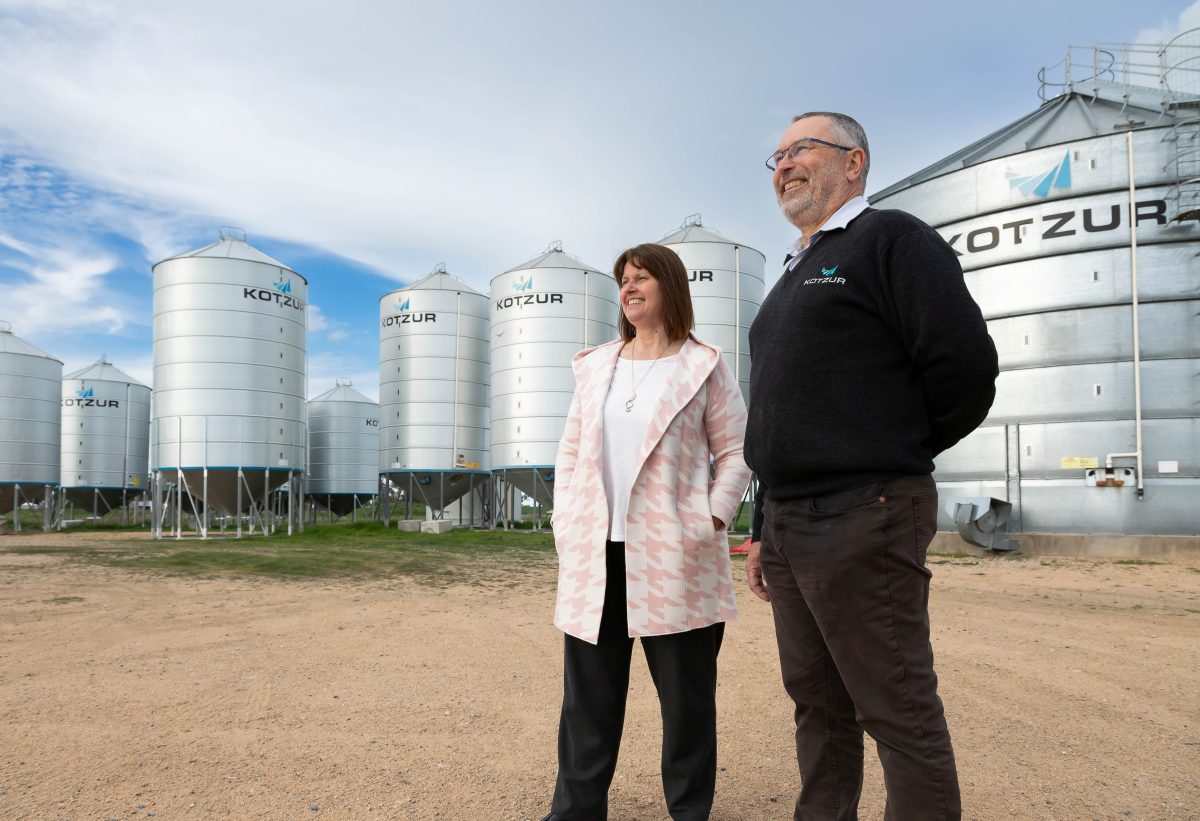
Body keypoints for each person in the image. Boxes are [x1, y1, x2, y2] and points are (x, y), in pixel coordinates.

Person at [744, 112, 999, 820]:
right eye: (778, 154)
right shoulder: (796, 268)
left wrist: (890, 454)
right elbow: (778, 414)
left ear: (853, 163)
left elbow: (966, 367)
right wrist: (764, 523)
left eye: (802, 150)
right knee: (818, 708)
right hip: (791, 522)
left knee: (896, 708)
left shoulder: (891, 240)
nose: (784, 164)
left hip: (865, 511)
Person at [541, 243, 750, 821]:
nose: (629, 289)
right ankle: (575, 812)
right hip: (596, 554)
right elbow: (570, 451)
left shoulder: (703, 364)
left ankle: (689, 813)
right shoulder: (595, 365)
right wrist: (564, 519)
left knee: (687, 706)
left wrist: (711, 517)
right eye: (623, 281)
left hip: (673, 555)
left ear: (670, 288)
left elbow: (735, 452)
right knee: (588, 703)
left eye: (641, 279)